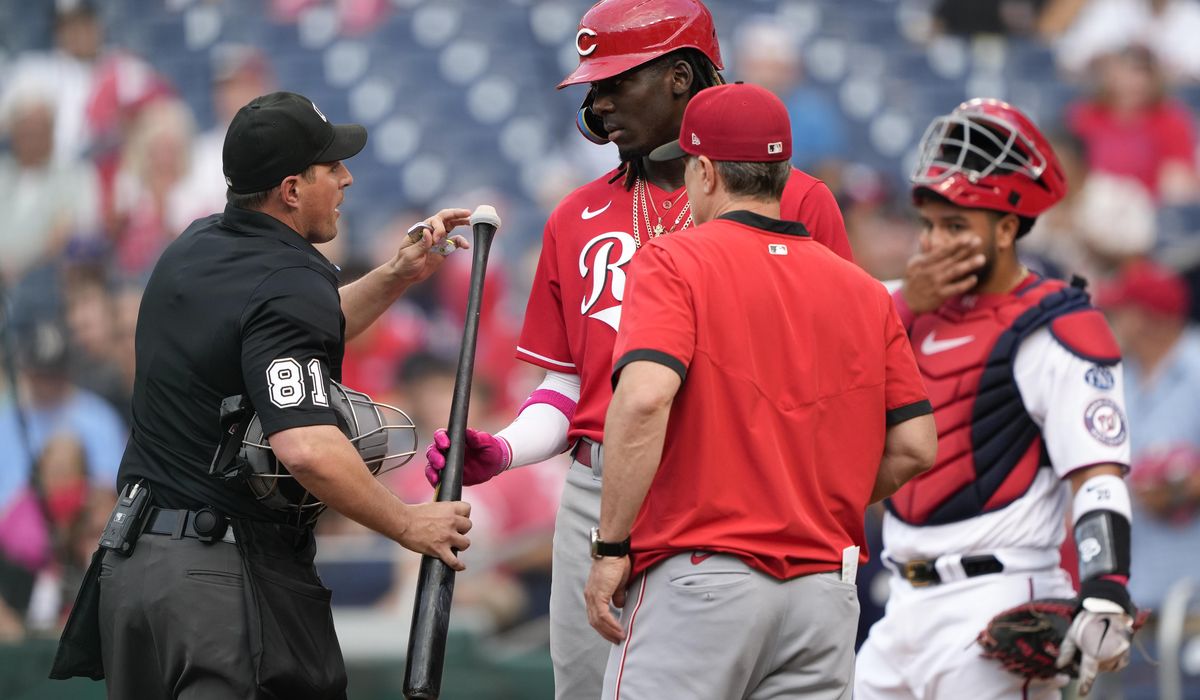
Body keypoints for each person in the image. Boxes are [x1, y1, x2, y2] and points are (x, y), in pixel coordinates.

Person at [423, 1, 855, 696]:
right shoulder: (576, 214)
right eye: (594, 85)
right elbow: (569, 388)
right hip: (599, 493)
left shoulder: (799, 203)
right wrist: (503, 449)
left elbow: (839, 369)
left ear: (680, 78)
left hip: (740, 495)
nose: (598, 102)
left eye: (616, 81)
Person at [50, 91, 474, 700]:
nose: (348, 179)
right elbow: (304, 445)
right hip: (219, 581)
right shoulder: (290, 279)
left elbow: (286, 328)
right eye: (332, 168)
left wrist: (396, 275)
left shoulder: (192, 248)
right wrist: (410, 524)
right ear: (292, 189)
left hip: (135, 576)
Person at [580, 82, 936, 699]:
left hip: (702, 577)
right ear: (783, 172)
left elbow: (643, 399)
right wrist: (819, 493)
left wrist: (611, 543)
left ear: (705, 170)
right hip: (824, 590)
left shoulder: (673, 261)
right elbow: (914, 447)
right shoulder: (861, 289)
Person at [856, 98, 1140, 699]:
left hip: (1000, 600)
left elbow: (1097, 474)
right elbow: (816, 361)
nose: (936, 243)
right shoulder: (896, 309)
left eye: (957, 227)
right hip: (898, 605)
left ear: (1008, 228)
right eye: (929, 225)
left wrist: (1106, 585)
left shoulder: (1058, 323)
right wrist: (909, 301)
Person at [1096, 259, 1200, 610]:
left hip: (1192, 592)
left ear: (1149, 316)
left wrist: (1180, 488)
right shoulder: (1119, 378)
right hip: (1138, 590)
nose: (1112, 323)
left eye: (1121, 311)